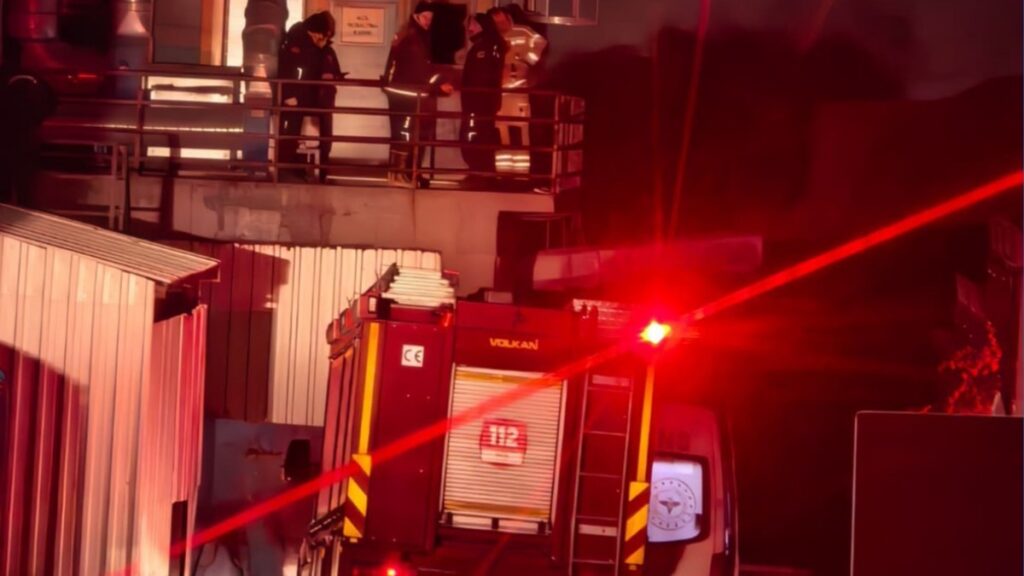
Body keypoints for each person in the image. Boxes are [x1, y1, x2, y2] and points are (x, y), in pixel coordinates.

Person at [382, 1, 454, 186]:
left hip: (399, 92)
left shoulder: (408, 35)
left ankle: (398, 174)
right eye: (425, 17)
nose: (428, 21)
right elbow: (418, 72)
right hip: (406, 94)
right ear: (416, 16)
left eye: (430, 18)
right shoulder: (414, 40)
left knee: (400, 132)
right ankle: (399, 175)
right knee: (404, 133)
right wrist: (438, 87)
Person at [277, 11, 333, 179]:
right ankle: (289, 167)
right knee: (292, 132)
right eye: (322, 34)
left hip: (300, 97)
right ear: (315, 32)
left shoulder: (299, 42)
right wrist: (290, 95)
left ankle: (293, 166)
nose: (322, 38)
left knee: (295, 132)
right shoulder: (299, 45)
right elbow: (290, 71)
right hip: (296, 97)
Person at [460, 12, 508, 187]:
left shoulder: (485, 48)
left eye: (474, 24)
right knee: (480, 137)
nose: (470, 28)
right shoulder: (486, 46)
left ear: (483, 26)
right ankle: (482, 173)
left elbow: (481, 77)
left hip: (478, 103)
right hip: (481, 103)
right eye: (469, 24)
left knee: (474, 137)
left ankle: (480, 174)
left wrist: (474, 97)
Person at [317, 18, 345, 182]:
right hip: (318, 97)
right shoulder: (323, 51)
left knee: (326, 135)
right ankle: (320, 171)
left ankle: (323, 170)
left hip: (325, 97)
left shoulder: (328, 51)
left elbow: (336, 71)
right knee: (323, 134)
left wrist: (335, 76)